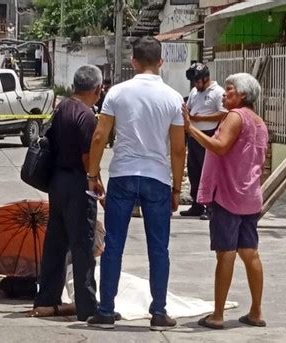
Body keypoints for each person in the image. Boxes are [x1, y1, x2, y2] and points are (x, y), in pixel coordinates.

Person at [86, 36, 186, 331]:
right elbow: (179, 149)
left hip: (123, 175)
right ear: (161, 63)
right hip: (157, 178)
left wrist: (93, 174)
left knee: (114, 244)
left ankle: (105, 310)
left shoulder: (117, 93)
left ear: (133, 62)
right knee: (159, 248)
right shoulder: (172, 98)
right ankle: (159, 312)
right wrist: (177, 188)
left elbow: (99, 136)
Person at [182, 73, 268, 330]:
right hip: (250, 197)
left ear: (242, 95)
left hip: (228, 196)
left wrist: (191, 130)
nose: (224, 94)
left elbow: (220, 146)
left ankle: (217, 314)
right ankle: (256, 311)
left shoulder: (236, 116)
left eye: (229, 90)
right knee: (250, 252)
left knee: (226, 254)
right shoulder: (259, 122)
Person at [28, 65, 102, 321]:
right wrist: (95, 180)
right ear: (97, 89)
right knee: (82, 244)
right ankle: (87, 305)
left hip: (57, 182)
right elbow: (86, 157)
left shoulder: (61, 108)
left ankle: (47, 298)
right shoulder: (87, 117)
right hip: (78, 183)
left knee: (55, 243)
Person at [180, 63, 226, 220]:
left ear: (206, 78)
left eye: (198, 81)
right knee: (194, 170)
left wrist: (201, 118)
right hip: (194, 134)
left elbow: (223, 114)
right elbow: (189, 107)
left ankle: (210, 206)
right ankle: (197, 204)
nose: (196, 84)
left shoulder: (218, 92)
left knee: (209, 171)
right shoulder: (194, 91)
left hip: (209, 134)